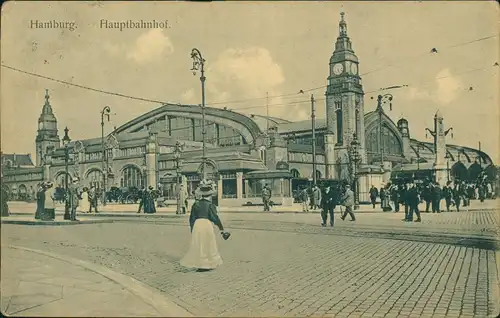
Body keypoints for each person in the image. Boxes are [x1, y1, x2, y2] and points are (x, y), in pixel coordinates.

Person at [180, 181, 228, 272]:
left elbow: (192, 218)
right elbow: (215, 217)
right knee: (208, 244)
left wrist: (192, 228)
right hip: (206, 224)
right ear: (209, 196)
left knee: (199, 244)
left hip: (197, 225)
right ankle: (207, 264)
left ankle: (200, 264)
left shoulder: (195, 204)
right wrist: (221, 228)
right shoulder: (210, 205)